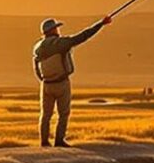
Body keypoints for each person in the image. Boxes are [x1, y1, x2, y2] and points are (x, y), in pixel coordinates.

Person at [32, 16, 111, 147]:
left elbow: (36, 67)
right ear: (52, 30)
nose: (58, 30)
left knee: (45, 115)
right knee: (63, 113)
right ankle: (59, 141)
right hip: (61, 83)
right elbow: (82, 36)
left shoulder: (37, 47)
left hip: (46, 84)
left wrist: (43, 80)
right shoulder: (60, 43)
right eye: (56, 28)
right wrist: (101, 24)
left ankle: (44, 142)